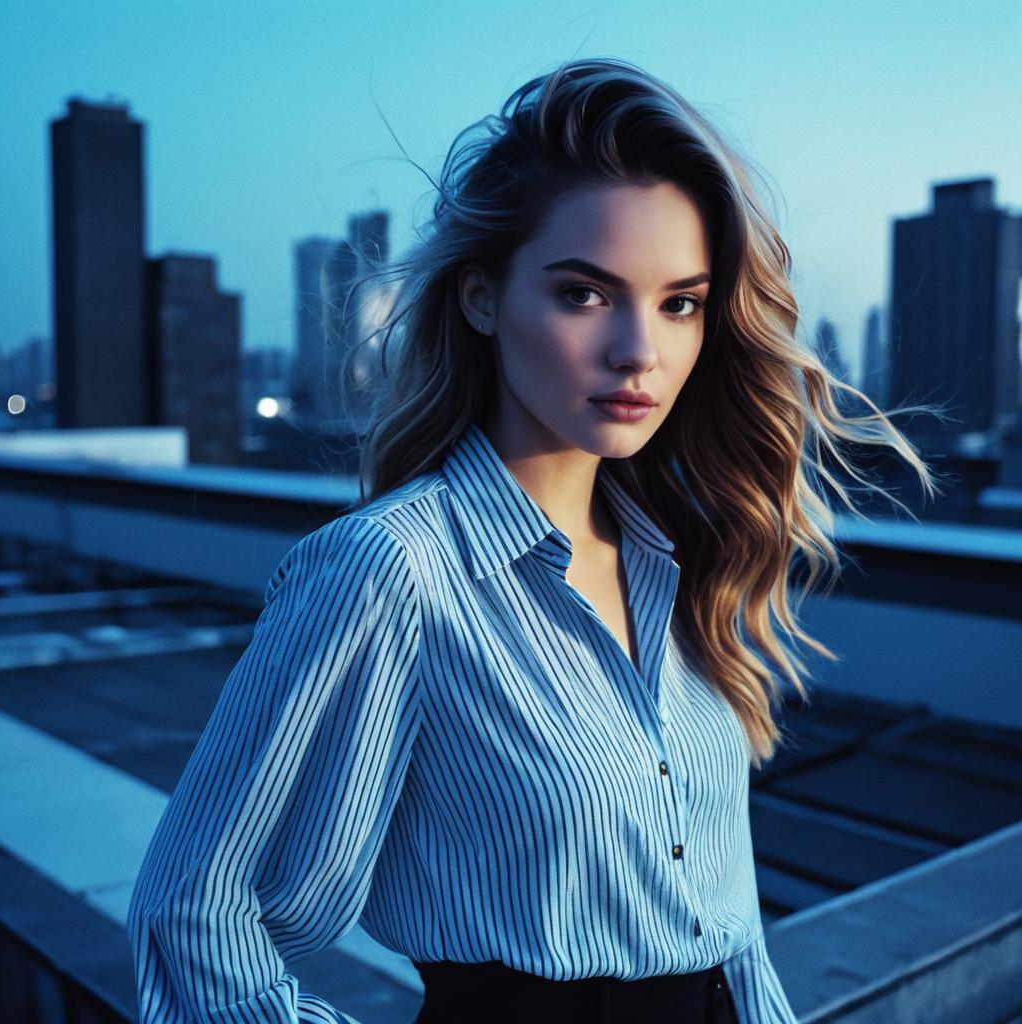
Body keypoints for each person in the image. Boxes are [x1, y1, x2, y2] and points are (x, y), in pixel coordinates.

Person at [126, 58, 936, 1024]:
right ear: (481, 298)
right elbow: (193, 912)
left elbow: (726, 933)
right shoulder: (394, 571)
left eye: (680, 302)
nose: (640, 348)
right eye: (585, 294)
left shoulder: (674, 561)